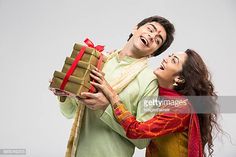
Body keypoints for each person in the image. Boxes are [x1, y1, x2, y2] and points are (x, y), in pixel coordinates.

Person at [52, 15, 175, 157]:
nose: (152, 36)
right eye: (150, 29)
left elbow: (143, 140)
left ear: (153, 53)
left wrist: (106, 107)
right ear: (135, 28)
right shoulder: (101, 60)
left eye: (158, 41)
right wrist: (64, 94)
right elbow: (70, 112)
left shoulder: (150, 82)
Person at [87, 49, 221, 157]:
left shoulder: (179, 108)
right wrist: (114, 59)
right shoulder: (158, 97)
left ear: (179, 79)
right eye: (170, 55)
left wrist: (111, 95)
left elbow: (136, 130)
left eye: (173, 60)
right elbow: (130, 105)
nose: (165, 59)